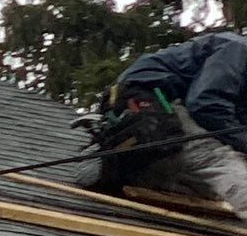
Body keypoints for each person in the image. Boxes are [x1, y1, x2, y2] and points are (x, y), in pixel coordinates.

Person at [96, 33, 247, 219]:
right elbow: (206, 105)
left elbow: (233, 122)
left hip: (140, 104)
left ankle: (157, 180)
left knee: (215, 177)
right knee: (213, 158)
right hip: (148, 96)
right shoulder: (237, 49)